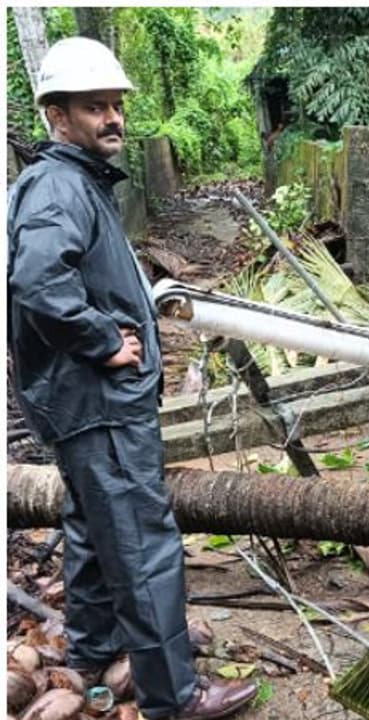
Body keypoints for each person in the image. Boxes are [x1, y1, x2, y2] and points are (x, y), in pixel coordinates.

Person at [8, 37, 257, 720]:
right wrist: (101, 343)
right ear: (57, 117)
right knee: (143, 542)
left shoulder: (71, 181)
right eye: (95, 107)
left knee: (90, 526)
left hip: (82, 403)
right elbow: (36, 280)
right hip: (97, 403)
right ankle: (172, 696)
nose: (113, 118)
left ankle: (90, 650)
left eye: (116, 105)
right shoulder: (59, 186)